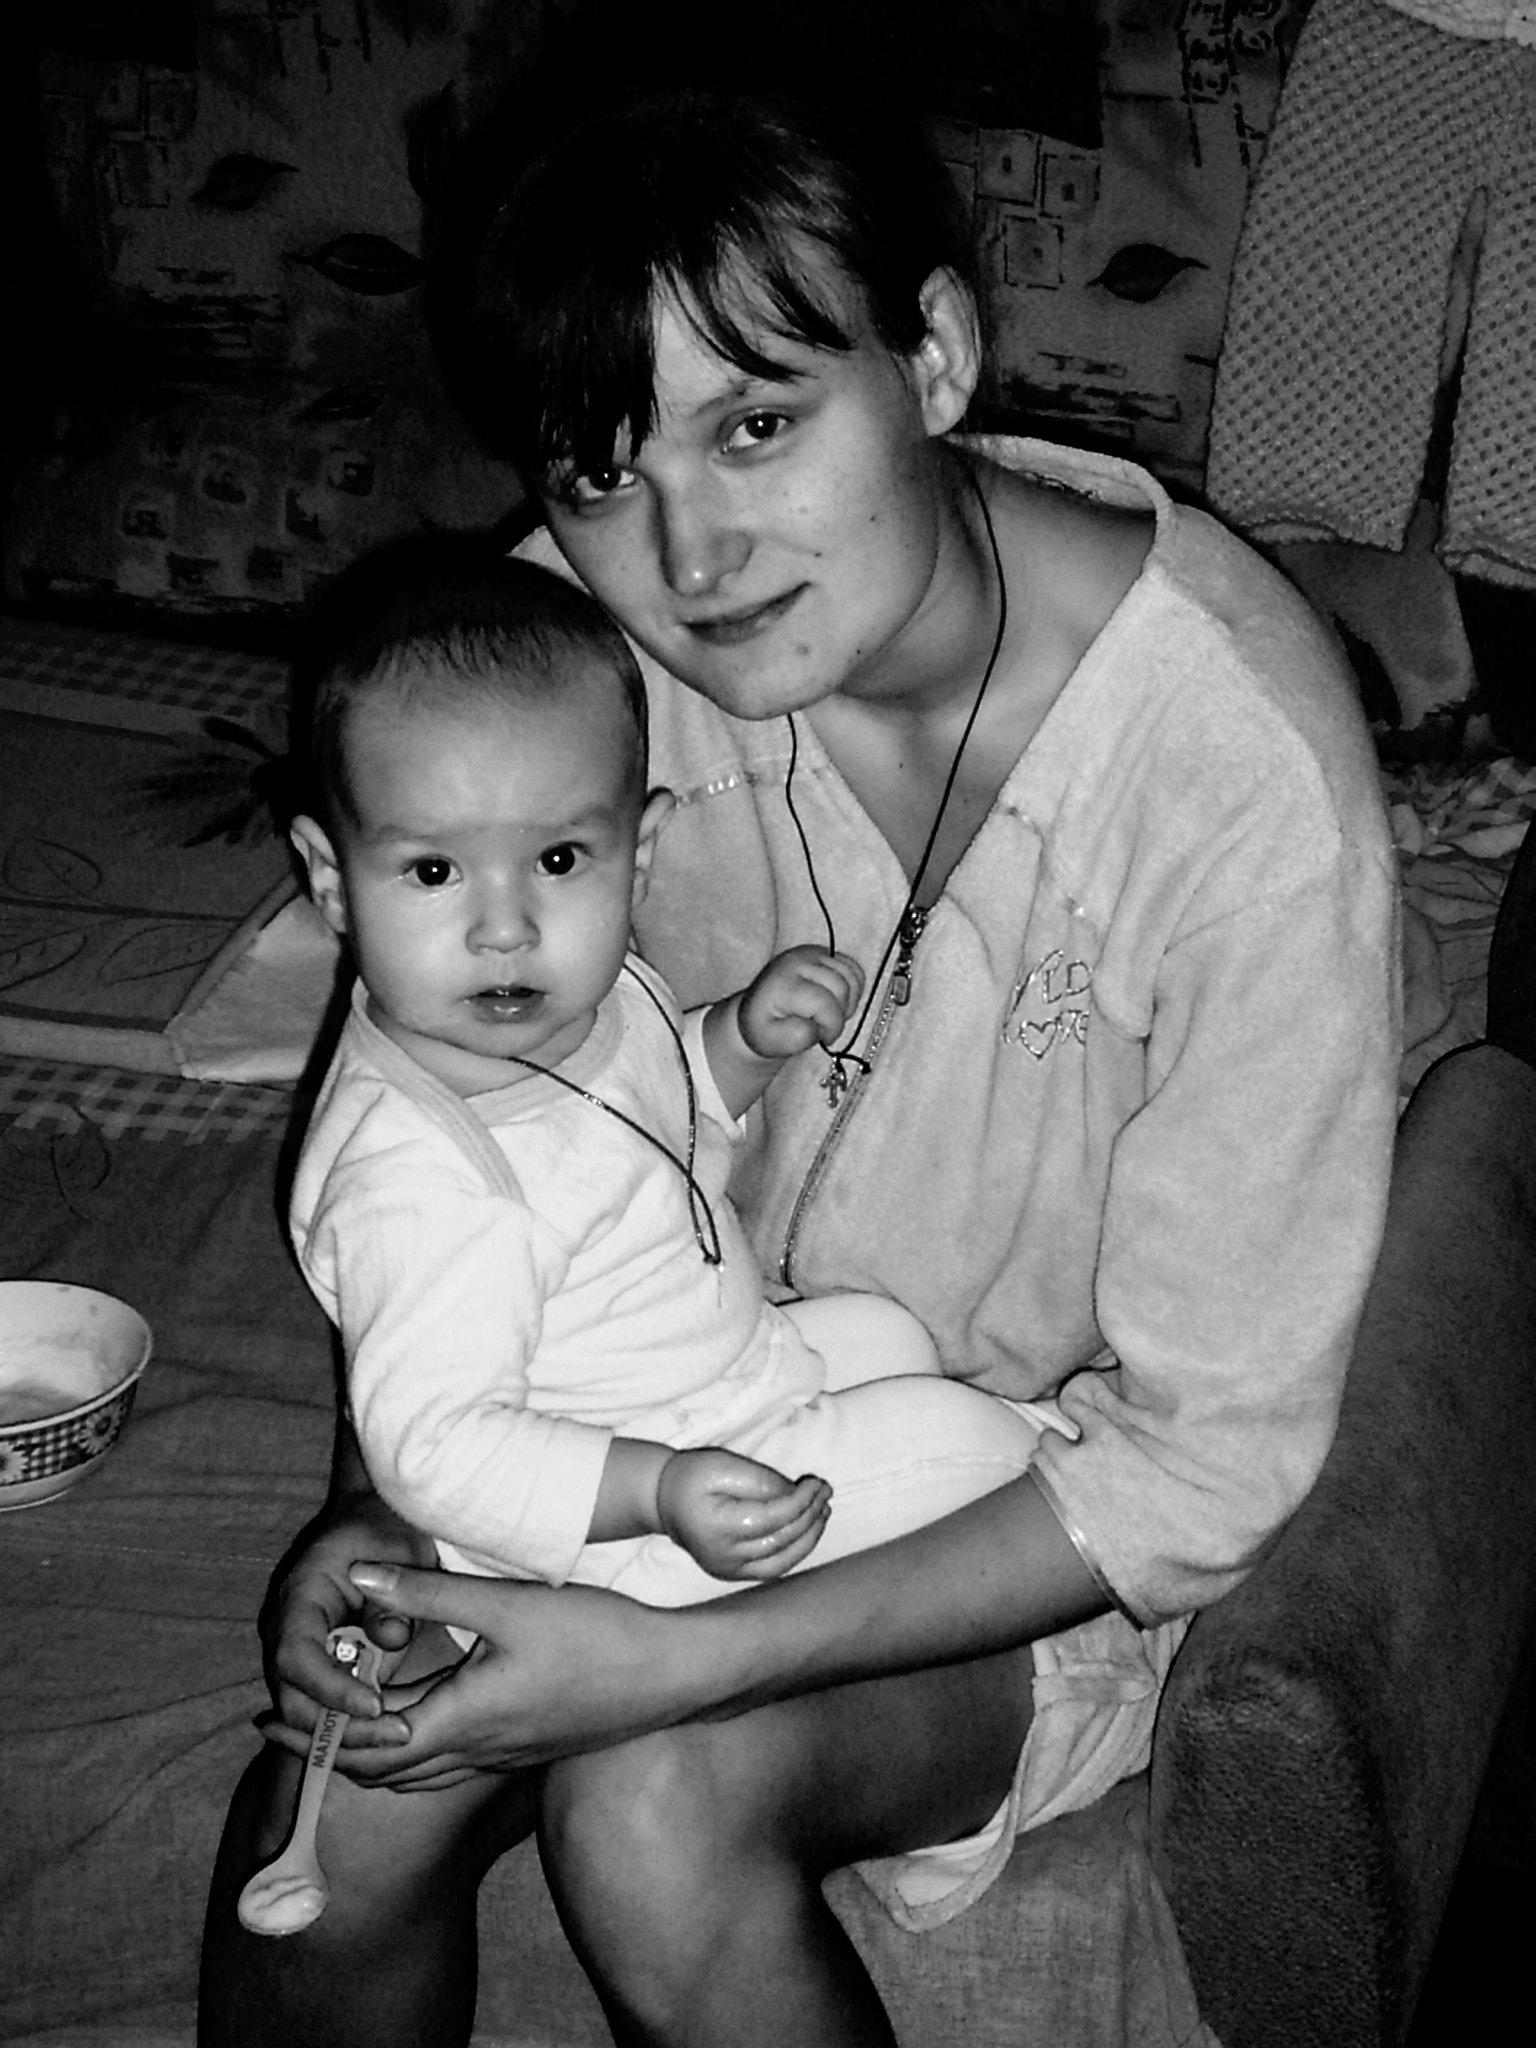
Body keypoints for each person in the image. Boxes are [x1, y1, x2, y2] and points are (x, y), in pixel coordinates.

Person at [199, 85, 1402, 2048]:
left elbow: (1200, 1464)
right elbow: (439, 1085)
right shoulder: (568, 653)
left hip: (1023, 1524)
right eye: (604, 471)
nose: (688, 554)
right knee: (342, 1798)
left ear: (932, 356)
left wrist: (677, 1666)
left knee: (652, 1798)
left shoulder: (1232, 779)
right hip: (657, 1397)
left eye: (758, 423)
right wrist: (381, 1508)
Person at [283, 539, 1046, 1615]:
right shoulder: (420, 1184)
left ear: (637, 856)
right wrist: (658, 1490)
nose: (505, 928)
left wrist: (738, 1043)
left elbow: (639, 1118)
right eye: (434, 870)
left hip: (705, 1366)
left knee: (891, 1337)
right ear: (332, 881)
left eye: (558, 861)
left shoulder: (578, 1003)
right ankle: (1061, 1465)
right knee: (971, 1441)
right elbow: (432, 1449)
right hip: (613, 1516)